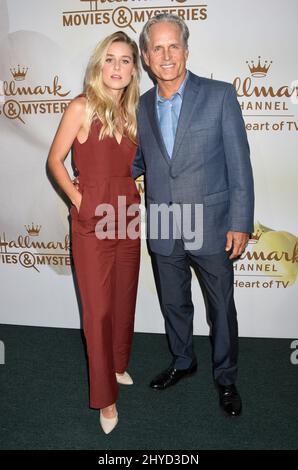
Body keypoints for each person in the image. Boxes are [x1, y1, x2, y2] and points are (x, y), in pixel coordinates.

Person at [133, 13, 254, 417]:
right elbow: (137, 161)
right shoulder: (142, 105)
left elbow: (240, 165)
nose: (166, 55)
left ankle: (226, 378)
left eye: (174, 46)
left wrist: (240, 221)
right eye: (157, 48)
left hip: (213, 223)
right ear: (146, 58)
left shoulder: (219, 95)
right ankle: (183, 361)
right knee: (174, 303)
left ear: (186, 50)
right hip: (165, 223)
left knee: (220, 308)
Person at [47, 31, 141, 433]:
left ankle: (119, 364)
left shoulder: (135, 112)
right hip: (92, 217)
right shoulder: (82, 107)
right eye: (110, 59)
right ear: (98, 65)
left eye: (125, 60)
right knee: (98, 311)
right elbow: (54, 161)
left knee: (124, 297)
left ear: (134, 69)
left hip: (128, 213)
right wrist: (77, 199)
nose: (117, 67)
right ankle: (105, 398)